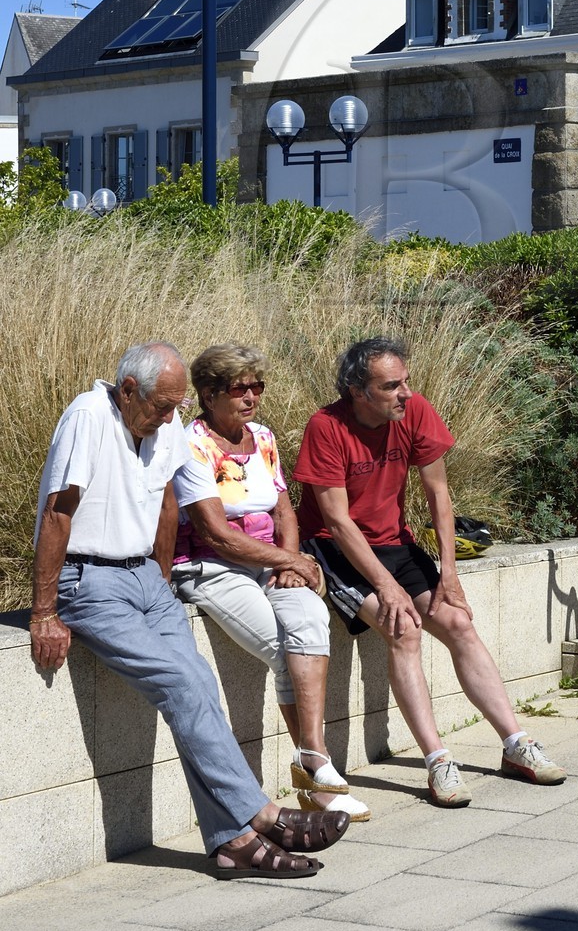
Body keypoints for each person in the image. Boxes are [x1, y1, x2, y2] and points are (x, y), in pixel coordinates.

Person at [29, 341, 349, 878]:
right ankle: (264, 815)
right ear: (128, 390)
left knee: (198, 681)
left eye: (177, 406)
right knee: (180, 679)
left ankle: (230, 843)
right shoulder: (87, 417)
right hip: (89, 579)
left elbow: (168, 504)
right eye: (161, 406)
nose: (170, 417)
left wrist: (157, 579)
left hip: (145, 579)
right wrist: (43, 612)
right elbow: (59, 512)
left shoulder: (166, 423)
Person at [296, 335, 566, 806]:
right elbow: (336, 522)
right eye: (391, 385)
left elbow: (439, 494)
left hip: (396, 543)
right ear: (358, 391)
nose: (405, 393)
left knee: (459, 622)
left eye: (406, 382)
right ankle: (438, 761)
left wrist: (449, 573)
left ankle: (515, 744)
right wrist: (385, 586)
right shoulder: (326, 426)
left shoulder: (414, 410)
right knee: (404, 630)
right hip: (336, 550)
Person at [172, 344, 369, 822]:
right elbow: (215, 534)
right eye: (240, 388)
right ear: (209, 393)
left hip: (269, 561)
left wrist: (289, 561)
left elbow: (283, 508)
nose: (252, 396)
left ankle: (311, 759)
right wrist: (290, 558)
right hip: (211, 566)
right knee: (281, 646)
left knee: (310, 619)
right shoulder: (191, 444)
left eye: (257, 386)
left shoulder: (261, 437)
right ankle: (317, 771)